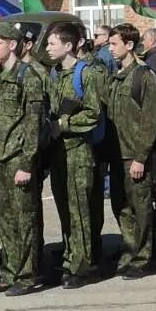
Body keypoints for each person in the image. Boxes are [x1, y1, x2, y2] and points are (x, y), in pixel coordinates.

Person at [0, 22, 46, 296]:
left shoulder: (28, 76)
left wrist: (27, 164)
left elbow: (34, 125)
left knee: (23, 220)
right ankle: (9, 272)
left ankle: (27, 275)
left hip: (17, 160)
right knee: (3, 219)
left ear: (13, 45)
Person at [44, 24, 106, 287]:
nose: (47, 48)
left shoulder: (88, 74)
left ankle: (82, 265)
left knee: (80, 211)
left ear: (69, 46)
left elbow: (93, 112)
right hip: (58, 152)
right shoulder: (54, 75)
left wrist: (65, 124)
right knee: (64, 211)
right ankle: (70, 257)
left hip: (78, 152)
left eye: (52, 43)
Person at [103, 24, 156, 277]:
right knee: (122, 207)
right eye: (109, 44)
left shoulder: (143, 76)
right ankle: (129, 252)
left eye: (114, 44)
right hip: (117, 155)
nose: (110, 48)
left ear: (129, 45)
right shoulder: (116, 76)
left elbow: (152, 119)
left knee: (141, 209)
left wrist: (141, 157)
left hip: (135, 156)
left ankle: (143, 258)